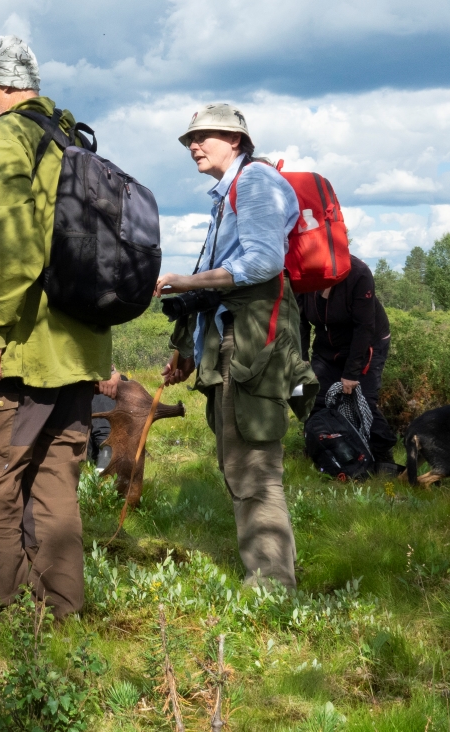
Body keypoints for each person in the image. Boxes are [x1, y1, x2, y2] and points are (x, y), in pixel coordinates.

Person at [0, 35, 114, 630]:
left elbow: (18, 254)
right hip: (79, 355)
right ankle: (61, 618)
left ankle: (0, 625)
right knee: (56, 492)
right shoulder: (71, 139)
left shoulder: (7, 138)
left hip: (22, 357)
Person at [155, 103, 317, 590]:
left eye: (204, 136)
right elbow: (218, 288)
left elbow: (263, 263)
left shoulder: (256, 184)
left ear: (238, 140)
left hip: (252, 345)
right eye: (189, 139)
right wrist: (187, 346)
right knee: (238, 459)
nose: (193, 145)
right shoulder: (226, 194)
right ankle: (268, 574)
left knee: (254, 468)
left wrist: (187, 281)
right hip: (233, 341)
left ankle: (270, 587)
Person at [298, 256, 398, 470]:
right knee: (313, 396)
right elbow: (300, 322)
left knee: (364, 401)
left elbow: (364, 327)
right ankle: (317, 449)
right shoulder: (302, 272)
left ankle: (382, 455)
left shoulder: (358, 273)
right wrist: (302, 362)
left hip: (367, 342)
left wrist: (351, 373)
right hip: (327, 345)